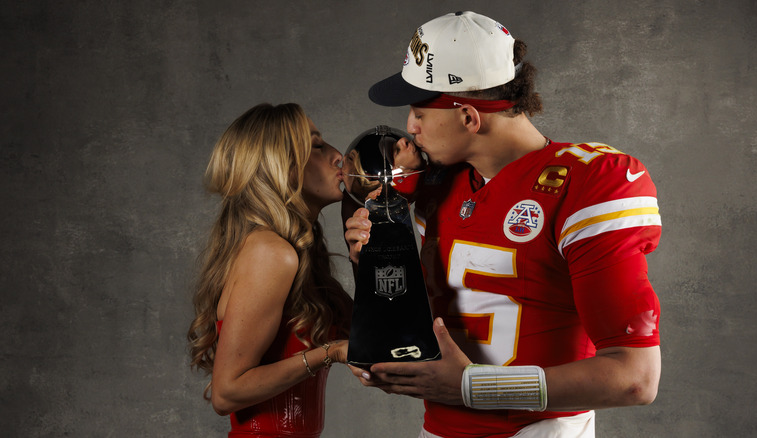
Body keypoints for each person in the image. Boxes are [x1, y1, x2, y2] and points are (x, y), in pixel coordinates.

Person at [344, 11, 662, 438]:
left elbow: (635, 377)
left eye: (420, 109)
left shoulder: (589, 182)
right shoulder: (431, 186)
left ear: (469, 117)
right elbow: (413, 330)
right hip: (436, 430)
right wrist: (376, 278)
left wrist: (472, 387)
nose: (411, 127)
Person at [188, 103, 353, 437]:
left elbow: (372, 338)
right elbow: (226, 392)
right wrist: (329, 352)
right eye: (317, 146)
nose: (339, 157)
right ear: (282, 166)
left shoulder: (298, 254)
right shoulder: (272, 253)